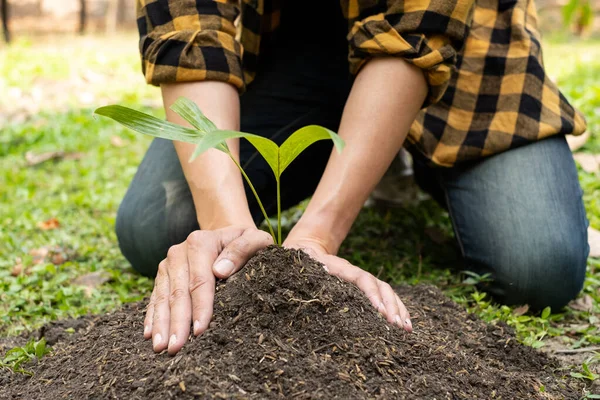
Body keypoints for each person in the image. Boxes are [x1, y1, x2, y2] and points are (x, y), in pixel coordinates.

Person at [117, 0, 589, 355]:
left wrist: (318, 236)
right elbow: (187, 26)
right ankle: (360, 153)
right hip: (295, 50)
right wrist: (228, 233)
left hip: (469, 56)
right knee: (154, 225)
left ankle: (389, 154)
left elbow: (417, 30)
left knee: (538, 266)